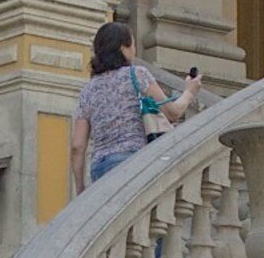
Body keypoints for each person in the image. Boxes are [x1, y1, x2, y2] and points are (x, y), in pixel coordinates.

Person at [71, 20, 196, 196]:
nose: (134, 50)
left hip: (100, 168)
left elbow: (77, 146)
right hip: (133, 162)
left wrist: (79, 188)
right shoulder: (137, 74)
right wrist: (189, 92)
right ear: (123, 48)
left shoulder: (88, 90)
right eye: (133, 45)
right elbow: (173, 113)